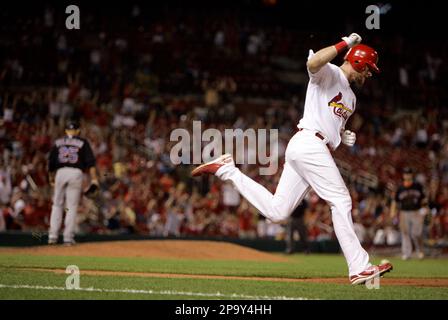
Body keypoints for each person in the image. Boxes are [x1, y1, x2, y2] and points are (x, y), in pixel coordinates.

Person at [191, 33, 393, 284]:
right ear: (359, 62)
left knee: (277, 212)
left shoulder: (351, 97)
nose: (370, 75)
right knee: (340, 200)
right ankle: (359, 267)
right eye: (369, 69)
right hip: (309, 143)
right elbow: (312, 63)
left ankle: (227, 170)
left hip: (311, 147)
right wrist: (344, 44)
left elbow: (328, 119)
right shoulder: (329, 72)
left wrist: (343, 133)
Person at [48, 120, 98, 245]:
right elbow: (90, 163)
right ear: (78, 131)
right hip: (75, 173)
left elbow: (51, 163)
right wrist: (94, 179)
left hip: (60, 172)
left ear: (66, 131)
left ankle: (52, 236)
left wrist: (51, 177)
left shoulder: (58, 142)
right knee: (71, 206)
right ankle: (67, 238)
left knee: (57, 205)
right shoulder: (82, 142)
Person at [390, 168, 427, 260]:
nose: (407, 175)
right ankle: (407, 253)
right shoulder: (400, 188)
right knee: (405, 233)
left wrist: (424, 209)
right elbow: (395, 201)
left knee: (416, 233)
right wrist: (393, 212)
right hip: (404, 212)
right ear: (403, 175)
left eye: (409, 173)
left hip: (416, 211)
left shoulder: (417, 186)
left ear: (411, 175)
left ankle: (420, 251)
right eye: (406, 173)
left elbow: (424, 199)